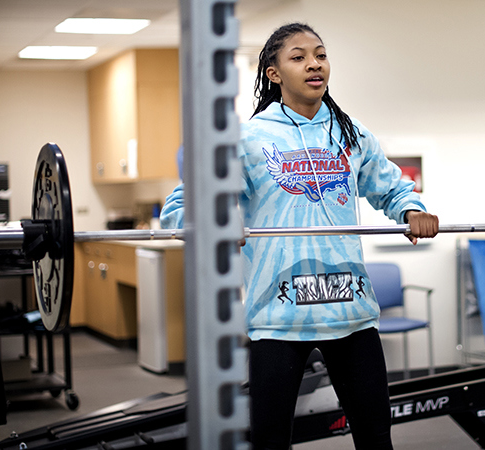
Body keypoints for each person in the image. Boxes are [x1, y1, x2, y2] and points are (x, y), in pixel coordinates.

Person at [162, 22, 438, 449]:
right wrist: (213, 225)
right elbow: (182, 207)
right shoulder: (247, 138)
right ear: (273, 73)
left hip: (350, 311)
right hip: (278, 316)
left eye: (321, 55)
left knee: (376, 435)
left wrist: (411, 209)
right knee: (271, 440)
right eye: (298, 57)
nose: (315, 65)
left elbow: (391, 186)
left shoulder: (350, 133)